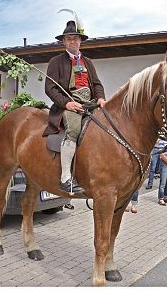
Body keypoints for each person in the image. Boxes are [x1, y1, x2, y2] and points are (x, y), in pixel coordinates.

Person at [43, 12, 106, 195]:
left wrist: (101, 98)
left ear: (80, 41)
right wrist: (66, 104)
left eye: (76, 38)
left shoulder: (88, 62)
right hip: (69, 105)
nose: (72, 42)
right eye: (69, 39)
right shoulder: (56, 62)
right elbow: (50, 88)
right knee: (74, 130)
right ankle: (65, 178)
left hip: (90, 104)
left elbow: (96, 84)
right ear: (64, 41)